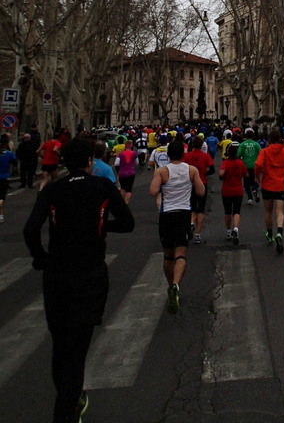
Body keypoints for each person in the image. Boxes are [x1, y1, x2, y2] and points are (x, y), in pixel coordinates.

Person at [23, 136, 134, 423]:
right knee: (77, 349)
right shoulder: (101, 186)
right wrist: (99, 226)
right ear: (90, 161)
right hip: (89, 275)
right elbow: (127, 222)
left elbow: (30, 229)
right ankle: (67, 410)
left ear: (64, 162)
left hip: (56, 275)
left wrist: (40, 258)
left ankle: (69, 400)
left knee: (60, 346)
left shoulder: (52, 190)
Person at [149, 140, 205, 312]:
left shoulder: (162, 171)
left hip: (167, 214)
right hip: (183, 214)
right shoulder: (191, 170)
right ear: (182, 153)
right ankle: (175, 284)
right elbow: (201, 192)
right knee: (181, 253)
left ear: (168, 155)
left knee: (168, 255)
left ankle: (170, 284)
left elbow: (153, 191)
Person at [254, 129, 284, 254]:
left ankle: (270, 233)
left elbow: (258, 164)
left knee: (268, 211)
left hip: (267, 184)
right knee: (279, 211)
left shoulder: (264, 151)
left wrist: (257, 176)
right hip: (280, 185)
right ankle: (279, 233)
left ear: (269, 140)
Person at [184, 136, 214, 244]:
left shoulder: (187, 156)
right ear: (202, 145)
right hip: (202, 183)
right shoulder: (205, 156)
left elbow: (183, 168)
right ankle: (198, 234)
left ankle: (191, 222)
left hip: (190, 183)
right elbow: (212, 169)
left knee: (192, 207)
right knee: (201, 208)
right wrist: (204, 174)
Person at [219, 141, 248, 245]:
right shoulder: (240, 163)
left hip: (226, 189)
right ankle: (235, 228)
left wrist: (224, 175)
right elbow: (246, 174)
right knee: (236, 211)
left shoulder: (225, 163)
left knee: (227, 211)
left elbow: (221, 173)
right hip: (238, 190)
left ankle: (228, 231)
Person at [238, 128, 261, 205]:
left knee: (246, 183)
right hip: (255, 165)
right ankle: (255, 189)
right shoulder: (256, 144)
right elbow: (261, 153)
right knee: (255, 180)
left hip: (245, 166)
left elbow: (238, 155)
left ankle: (250, 198)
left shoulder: (242, 144)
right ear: (253, 136)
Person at [113, 139, 138, 204]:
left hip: (122, 173)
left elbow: (116, 163)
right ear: (131, 146)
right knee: (129, 190)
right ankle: (126, 204)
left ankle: (122, 203)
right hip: (131, 173)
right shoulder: (134, 153)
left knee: (123, 188)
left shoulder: (121, 154)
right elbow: (137, 163)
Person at [0, 139, 17, 222]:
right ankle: (0, 215)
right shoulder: (9, 154)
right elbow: (15, 163)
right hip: (4, 177)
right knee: (1, 197)